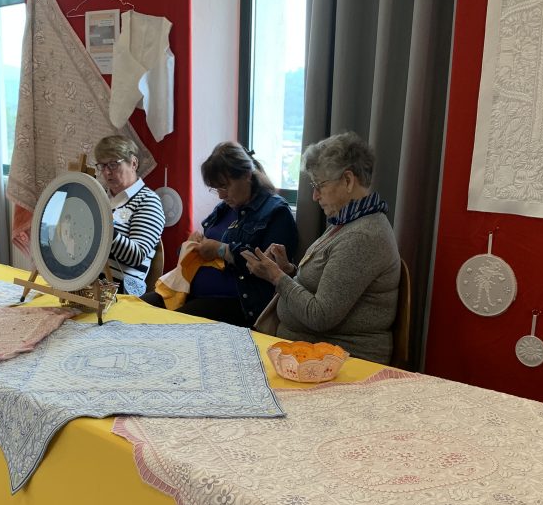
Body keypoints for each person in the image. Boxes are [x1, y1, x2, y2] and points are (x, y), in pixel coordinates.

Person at [242, 132, 400, 363]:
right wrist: (288, 270)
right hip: (313, 353)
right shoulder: (348, 221)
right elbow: (321, 288)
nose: (315, 196)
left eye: (319, 185)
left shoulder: (362, 236)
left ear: (348, 180)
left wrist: (277, 277)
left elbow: (320, 315)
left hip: (342, 361)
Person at [141, 142, 298, 327]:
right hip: (191, 292)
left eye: (224, 187)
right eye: (216, 189)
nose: (221, 196)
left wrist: (222, 250)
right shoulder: (224, 208)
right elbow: (200, 253)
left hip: (240, 304)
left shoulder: (277, 212)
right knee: (137, 308)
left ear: (247, 175)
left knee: (170, 325)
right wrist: (192, 245)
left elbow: (270, 268)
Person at [94, 135, 165, 296]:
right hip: (88, 284)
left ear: (133, 163)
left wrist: (101, 227)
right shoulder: (99, 197)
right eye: (102, 166)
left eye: (113, 164)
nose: (106, 172)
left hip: (120, 293)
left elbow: (136, 256)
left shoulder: (148, 201)